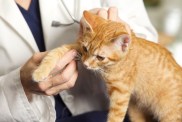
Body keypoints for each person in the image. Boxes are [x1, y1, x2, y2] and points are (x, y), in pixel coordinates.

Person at [0, 0, 158, 122]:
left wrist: (124, 35)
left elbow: (150, 46)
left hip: (109, 111)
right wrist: (17, 86)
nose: (87, 63)